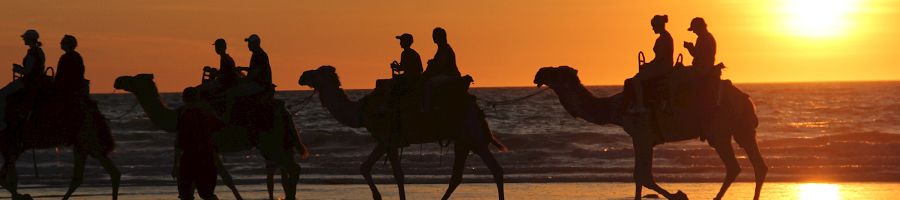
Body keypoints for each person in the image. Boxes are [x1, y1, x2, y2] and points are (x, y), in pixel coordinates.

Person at [175, 87, 223, 200]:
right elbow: (219, 127)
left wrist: (175, 165)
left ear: (184, 99)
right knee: (207, 194)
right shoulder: (207, 114)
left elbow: (179, 142)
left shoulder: (184, 116)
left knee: (186, 194)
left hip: (190, 158)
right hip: (207, 158)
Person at [0, 29, 46, 131]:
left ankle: (2, 122)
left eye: (25, 38)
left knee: (2, 94)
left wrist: (17, 69)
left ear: (30, 39)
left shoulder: (33, 52)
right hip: (34, 81)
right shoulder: (39, 51)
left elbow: (27, 71)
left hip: (28, 82)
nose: (24, 40)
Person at [627, 15, 674, 113]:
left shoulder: (664, 38)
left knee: (636, 80)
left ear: (658, 25)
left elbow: (660, 58)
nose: (652, 28)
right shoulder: (663, 38)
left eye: (653, 26)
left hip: (663, 67)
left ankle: (640, 105)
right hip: (660, 66)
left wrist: (648, 65)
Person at [684, 17, 719, 138]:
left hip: (702, 69)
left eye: (694, 29)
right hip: (703, 67)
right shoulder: (707, 37)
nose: (693, 32)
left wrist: (689, 47)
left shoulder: (704, 38)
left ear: (700, 27)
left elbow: (698, 55)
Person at [422, 27, 460, 111]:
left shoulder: (445, 48)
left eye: (435, 35)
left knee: (428, 84)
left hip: (450, 75)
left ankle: (427, 108)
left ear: (441, 37)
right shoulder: (441, 48)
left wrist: (432, 64)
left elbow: (441, 65)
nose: (433, 37)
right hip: (446, 74)